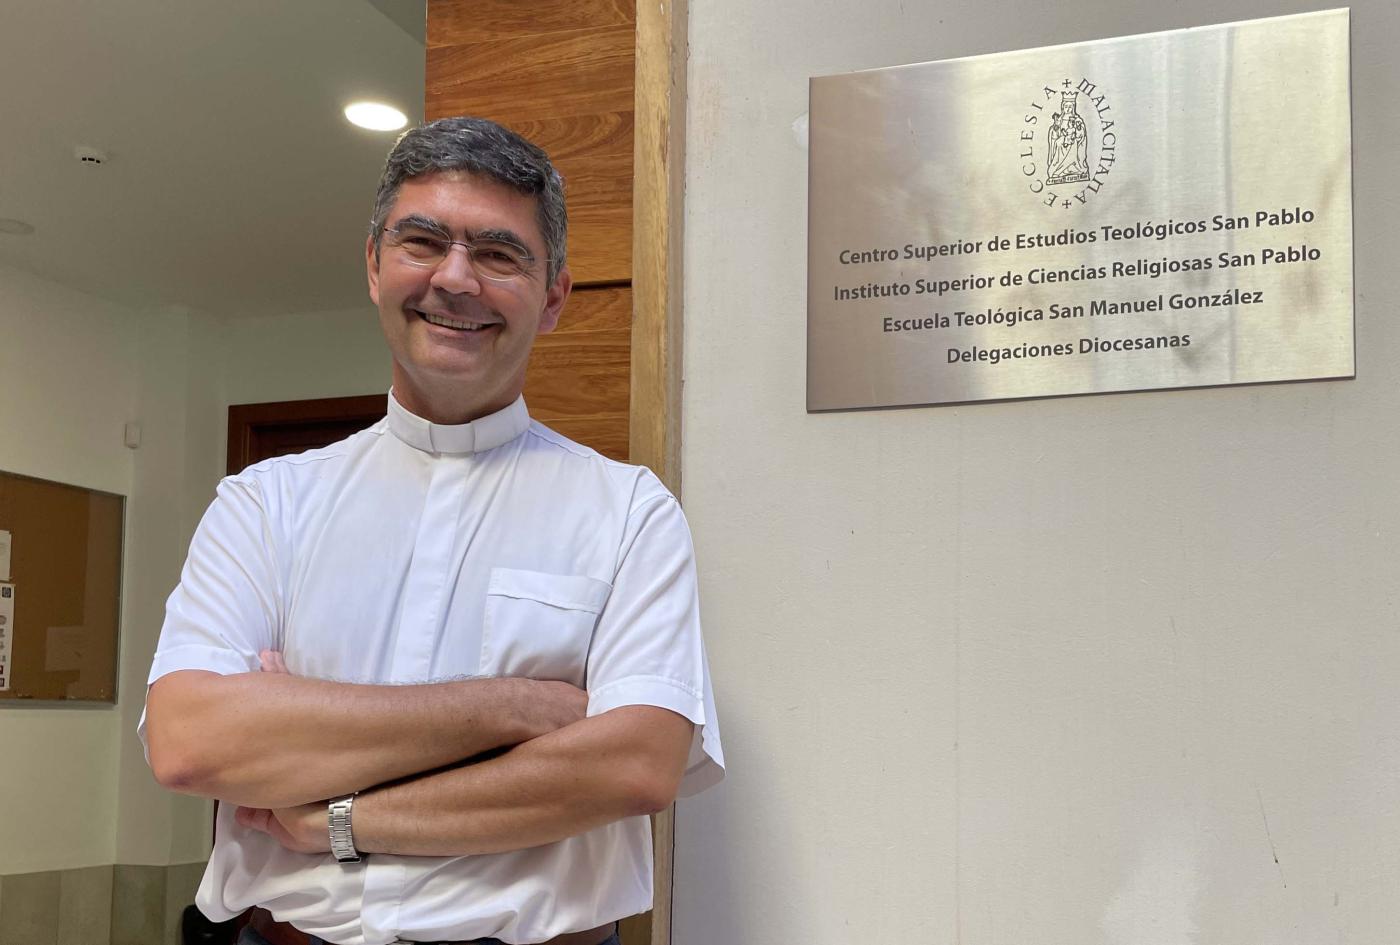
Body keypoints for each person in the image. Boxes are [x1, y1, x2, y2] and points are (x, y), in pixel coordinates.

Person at [140, 116, 724, 945]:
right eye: (422, 240)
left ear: (554, 295)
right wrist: (517, 707)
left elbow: (632, 765)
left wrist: (335, 812)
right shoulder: (263, 504)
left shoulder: (630, 512)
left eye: (498, 253)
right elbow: (192, 741)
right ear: (374, 263)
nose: (455, 279)